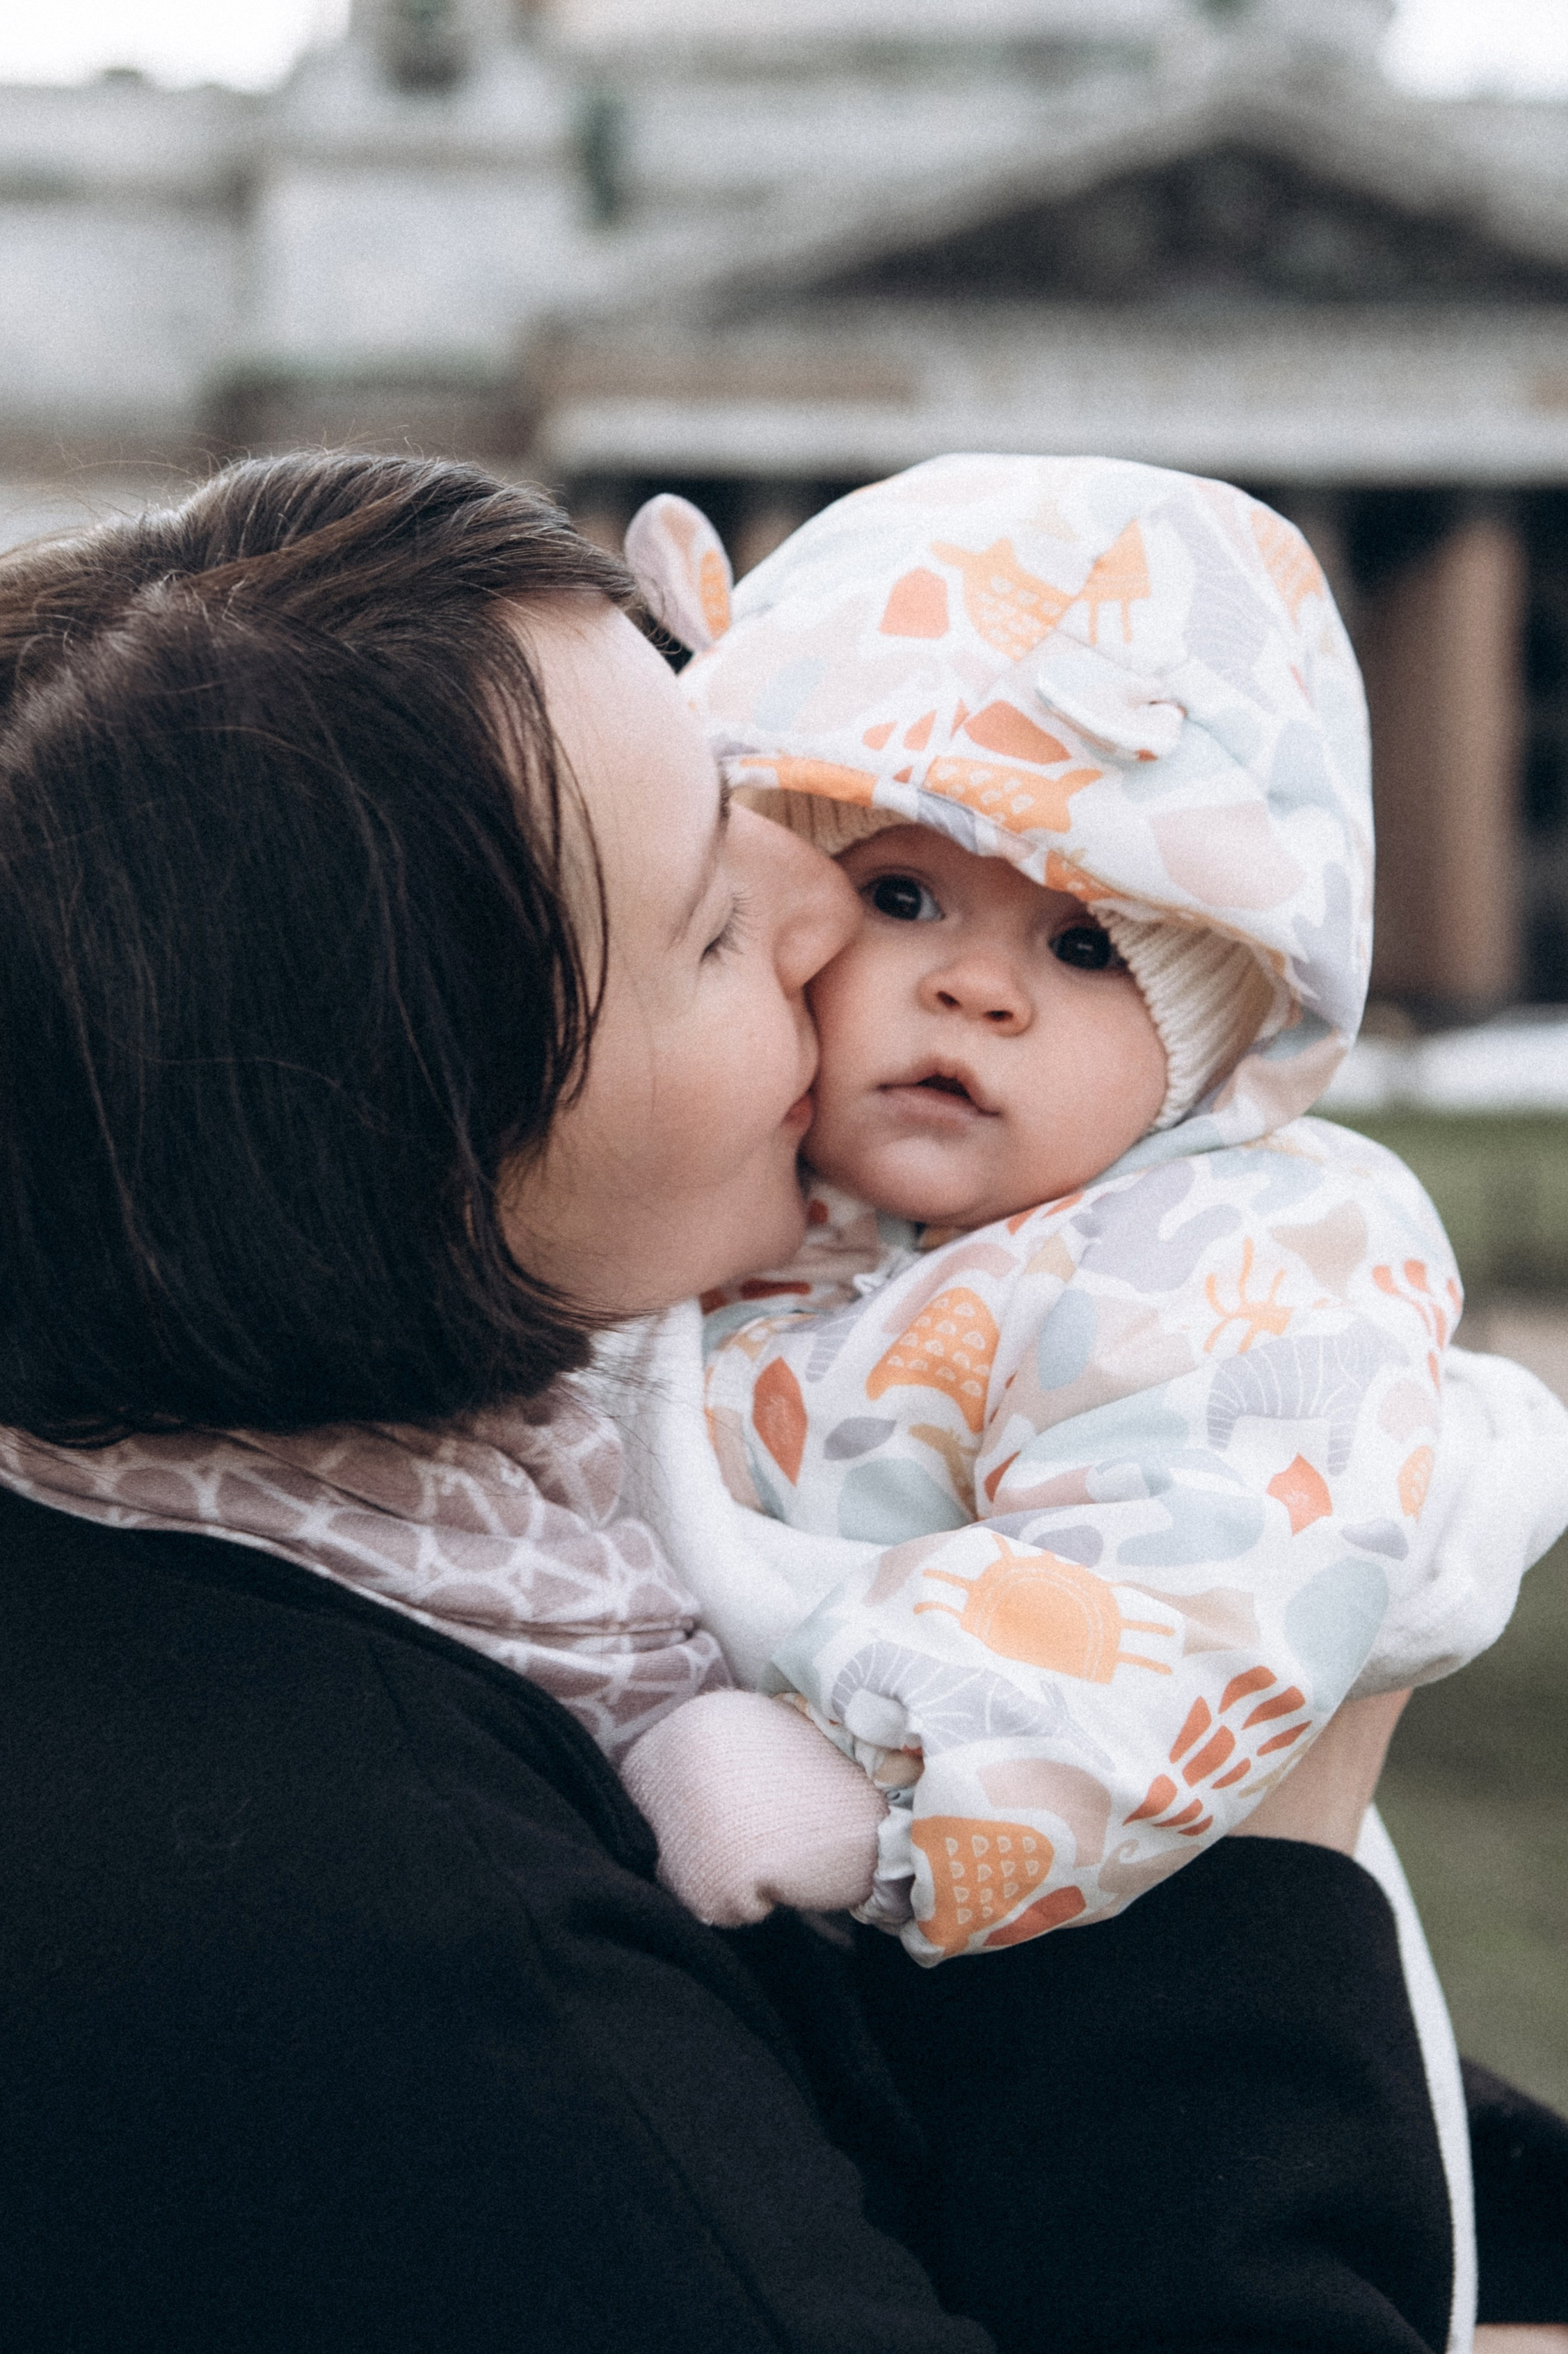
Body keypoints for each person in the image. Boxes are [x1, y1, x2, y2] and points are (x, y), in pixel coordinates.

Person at [0, 450, 1533, 2353]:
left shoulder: (76, 1500)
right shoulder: (403, 1964)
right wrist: (1262, 1839)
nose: (824, 909)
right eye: (706, 919)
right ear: (403, 1165)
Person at [602, 458, 1568, 1987]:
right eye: (901, 896)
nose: (977, 988)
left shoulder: (1232, 1251)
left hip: (1074, 1938)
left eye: (1083, 946)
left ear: (1208, 1045)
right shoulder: (738, 1191)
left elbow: (1199, 1586)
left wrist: (879, 1794)